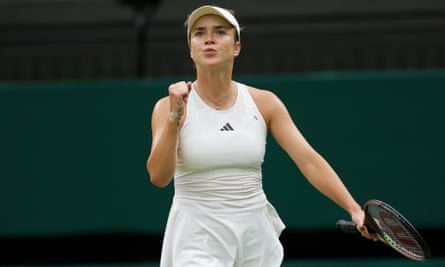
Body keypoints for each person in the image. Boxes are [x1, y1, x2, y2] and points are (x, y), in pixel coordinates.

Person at [146, 5, 375, 267]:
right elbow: (159, 177)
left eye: (220, 32)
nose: (209, 38)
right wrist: (175, 117)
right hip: (197, 236)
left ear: (236, 47)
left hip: (254, 236)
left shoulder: (265, 103)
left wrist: (354, 210)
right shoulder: (167, 106)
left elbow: (308, 160)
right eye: (199, 33)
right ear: (191, 49)